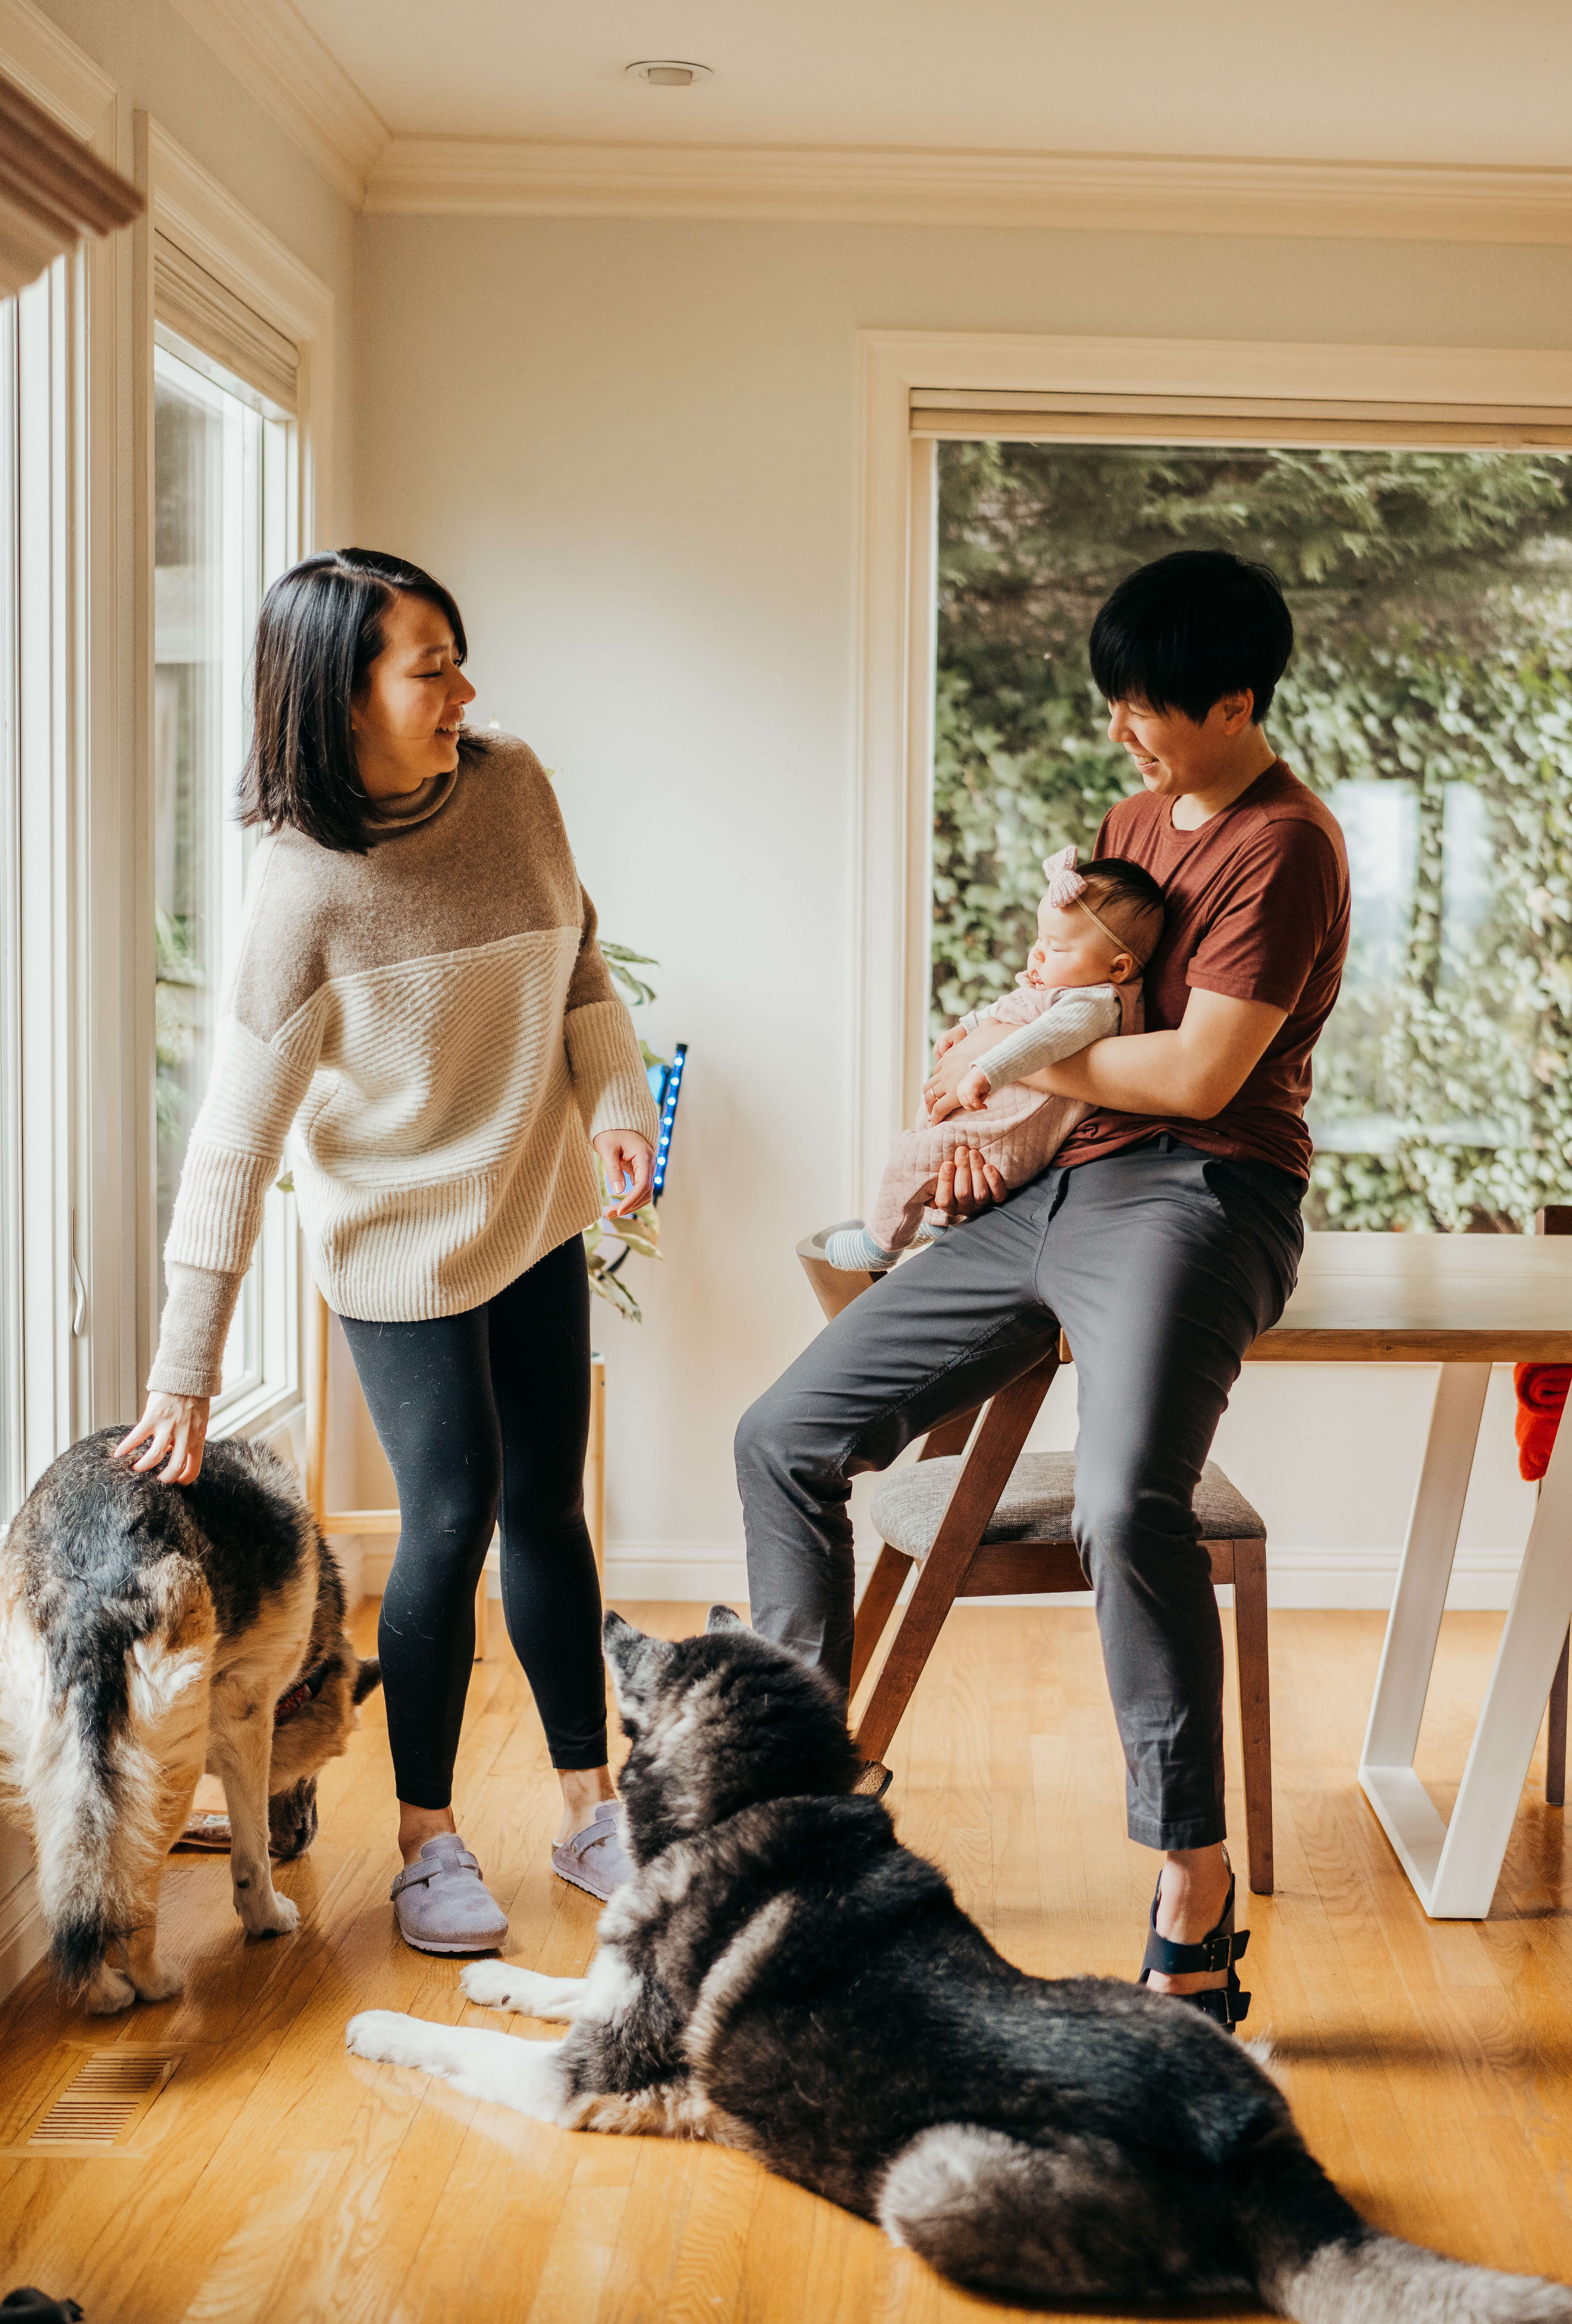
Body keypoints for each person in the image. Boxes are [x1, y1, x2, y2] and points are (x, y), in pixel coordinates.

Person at [737, 548, 1348, 2026]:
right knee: (783, 1437)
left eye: (1149, 707)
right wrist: (1014, 1102)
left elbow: (1201, 1071)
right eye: (1116, 702)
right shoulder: (1138, 817)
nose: (1123, 732)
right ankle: (810, 1804)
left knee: (1128, 1500)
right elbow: (1097, 1009)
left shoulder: (1288, 846)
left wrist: (1012, 1049)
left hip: (1207, 1191)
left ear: (1237, 701)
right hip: (1069, 1176)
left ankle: (1191, 1882)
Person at [116, 548, 660, 1956]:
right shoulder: (303, 894)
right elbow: (235, 1141)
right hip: (398, 1243)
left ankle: (592, 1809)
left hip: (531, 1206)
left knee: (549, 1501)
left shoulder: (515, 785)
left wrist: (612, 1108)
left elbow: (583, 966)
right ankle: (427, 1844)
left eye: (457, 658)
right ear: (337, 697)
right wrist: (183, 1372)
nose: (463, 690)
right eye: (431, 668)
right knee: (455, 1508)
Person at [824, 848, 1165, 1272]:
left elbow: (1041, 1041)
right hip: (992, 1118)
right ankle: (932, 1220)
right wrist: (966, 1030)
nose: (1038, 954)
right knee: (929, 1130)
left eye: (1056, 947)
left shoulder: (1095, 1005)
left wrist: (985, 1067)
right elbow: (1007, 1007)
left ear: (1118, 969)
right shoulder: (1067, 984)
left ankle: (879, 1245)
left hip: (1006, 1132)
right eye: (1040, 939)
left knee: (910, 1157)